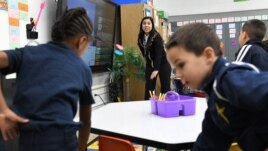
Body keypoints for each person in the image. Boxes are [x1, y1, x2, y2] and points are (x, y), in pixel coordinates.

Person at [0, 7, 94, 151]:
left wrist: (3, 110)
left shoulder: (27, 53)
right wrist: (81, 149)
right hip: (63, 141)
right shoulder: (82, 69)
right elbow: (85, 121)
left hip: (28, 141)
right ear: (82, 41)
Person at [165, 22, 268, 151]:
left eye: (181, 65)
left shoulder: (230, 80)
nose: (178, 74)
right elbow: (209, 142)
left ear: (208, 55)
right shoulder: (216, 99)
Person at [137, 16, 171, 100]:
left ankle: (164, 105)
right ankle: (148, 104)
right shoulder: (141, 37)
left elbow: (158, 54)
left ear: (152, 25)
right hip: (151, 64)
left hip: (163, 63)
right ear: (141, 25)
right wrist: (149, 65)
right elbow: (144, 53)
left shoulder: (156, 37)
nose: (146, 25)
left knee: (165, 87)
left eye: (149, 23)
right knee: (149, 87)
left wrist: (156, 69)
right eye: (144, 23)